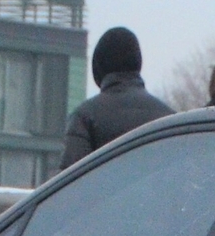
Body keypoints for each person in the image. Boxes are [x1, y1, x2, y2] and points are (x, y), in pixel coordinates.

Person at [60, 26, 173, 167]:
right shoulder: (169, 118)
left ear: (99, 68)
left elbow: (72, 180)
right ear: (138, 63)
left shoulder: (85, 117)